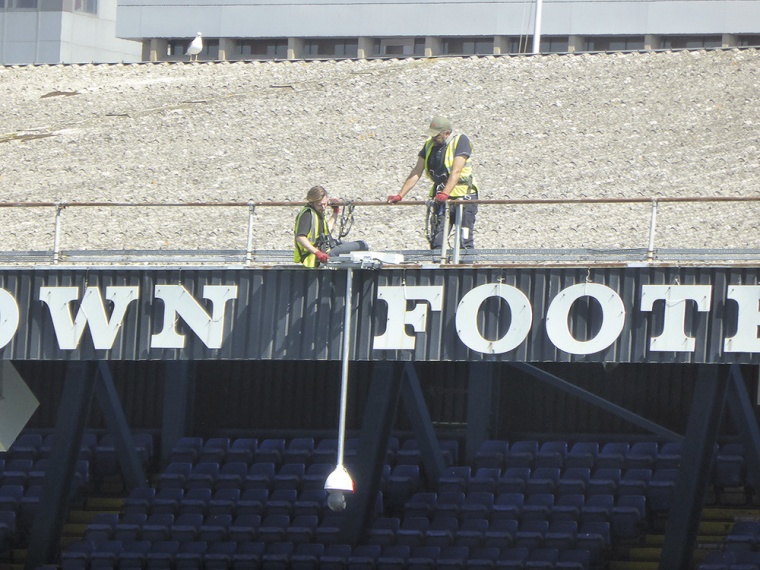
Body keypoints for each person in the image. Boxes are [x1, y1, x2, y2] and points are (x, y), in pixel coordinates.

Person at [388, 116, 479, 250]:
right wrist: (400, 195)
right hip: (441, 197)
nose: (433, 138)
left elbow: (456, 171)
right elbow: (417, 171)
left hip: (464, 197)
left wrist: (445, 193)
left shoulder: (460, 141)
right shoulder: (429, 144)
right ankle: (438, 267)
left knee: (464, 240)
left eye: (436, 135)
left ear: (447, 133)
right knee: (437, 241)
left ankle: (465, 268)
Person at [294, 185, 369, 267]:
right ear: (312, 202)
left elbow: (327, 230)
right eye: (320, 205)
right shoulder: (307, 214)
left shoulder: (317, 213)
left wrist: (335, 212)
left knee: (360, 247)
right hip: (320, 253)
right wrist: (317, 253)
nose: (323, 207)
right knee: (363, 245)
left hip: (327, 246)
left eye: (325, 204)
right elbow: (300, 237)